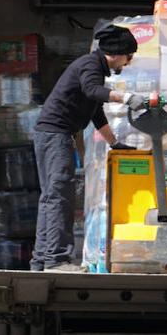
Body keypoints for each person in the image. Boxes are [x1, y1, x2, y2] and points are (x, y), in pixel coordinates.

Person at [32, 25, 147, 272]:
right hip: (55, 135)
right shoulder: (90, 65)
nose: (126, 64)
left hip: (52, 134)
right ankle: (57, 260)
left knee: (51, 197)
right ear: (118, 53)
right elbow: (92, 91)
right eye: (128, 57)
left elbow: (95, 110)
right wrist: (128, 98)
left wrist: (114, 143)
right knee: (59, 196)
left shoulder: (92, 68)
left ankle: (41, 260)